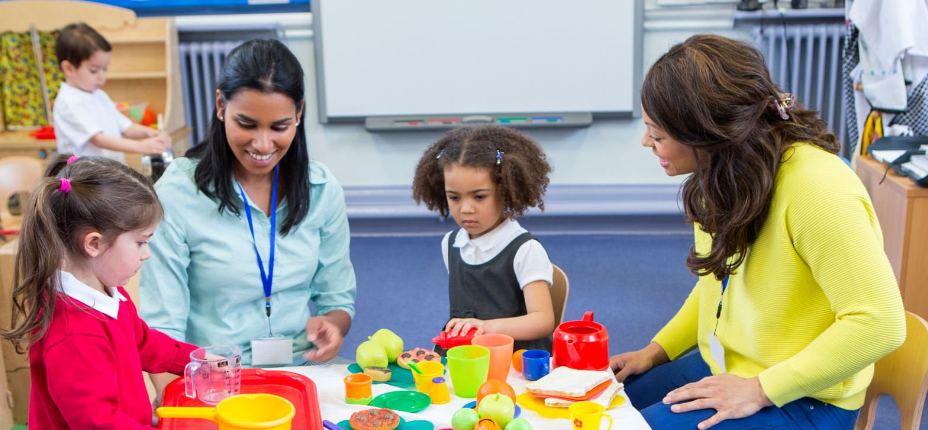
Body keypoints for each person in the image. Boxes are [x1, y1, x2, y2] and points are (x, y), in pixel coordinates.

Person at [609, 35, 906, 430]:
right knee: (606, 409)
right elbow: (721, 283)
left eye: (657, 134)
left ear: (705, 132)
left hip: (806, 397)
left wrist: (759, 389)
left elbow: (880, 323)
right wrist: (656, 351)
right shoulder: (723, 172)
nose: (647, 142)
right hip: (734, 362)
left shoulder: (817, 189)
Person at [141, 39, 356, 398]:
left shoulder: (320, 188)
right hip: (214, 382)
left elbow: (338, 297)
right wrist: (180, 401)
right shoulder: (178, 192)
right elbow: (162, 323)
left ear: (299, 114)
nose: (262, 144)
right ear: (221, 105)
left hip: (302, 372)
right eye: (247, 123)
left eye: (279, 127)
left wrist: (333, 325)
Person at [0, 154, 197, 429]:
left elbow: (143, 343)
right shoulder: (75, 334)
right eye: (141, 242)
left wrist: (198, 360)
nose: (147, 254)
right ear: (94, 244)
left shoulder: (110, 293)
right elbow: (98, 422)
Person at [412, 125, 556, 352]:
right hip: (468, 358)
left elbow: (543, 320)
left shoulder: (524, 249)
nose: (466, 209)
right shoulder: (451, 244)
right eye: (454, 197)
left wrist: (491, 327)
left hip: (515, 361)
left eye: (479, 196)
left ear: (506, 190)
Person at [53, 22, 172, 163]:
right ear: (69, 68)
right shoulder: (69, 102)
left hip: (107, 173)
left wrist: (150, 132)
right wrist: (141, 146)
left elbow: (126, 127)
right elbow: (98, 139)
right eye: (94, 70)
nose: (101, 76)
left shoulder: (99, 95)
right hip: (84, 178)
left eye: (104, 69)